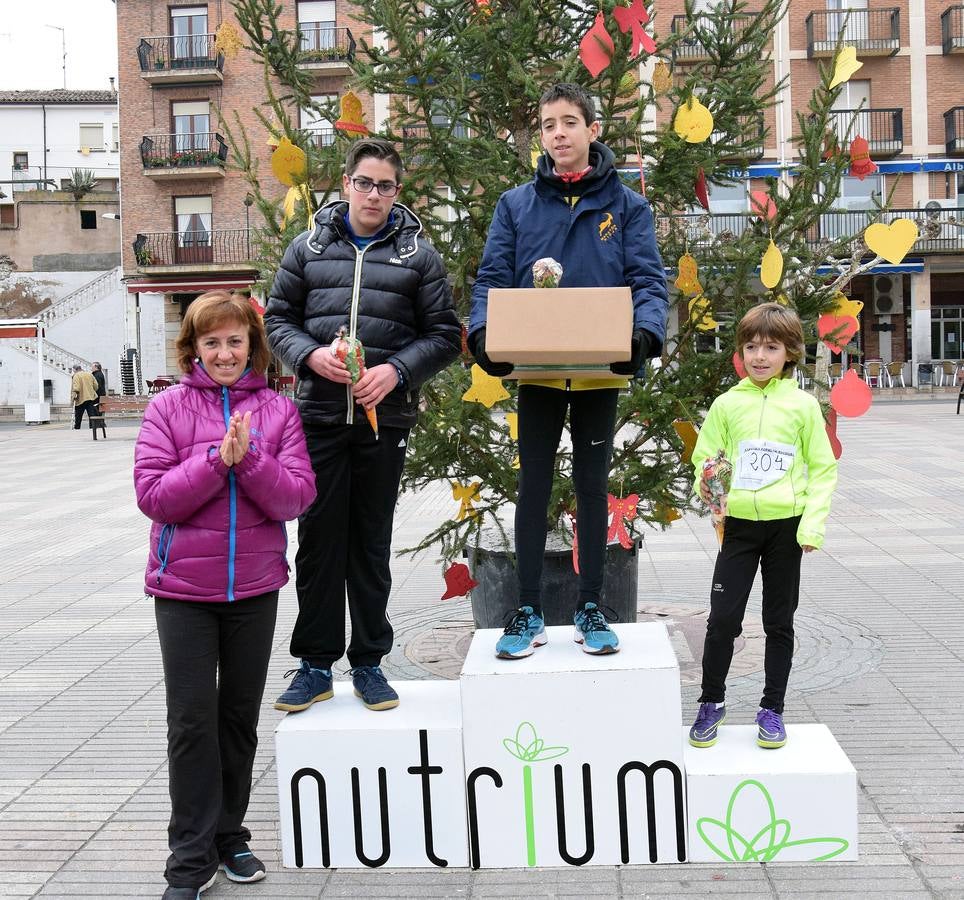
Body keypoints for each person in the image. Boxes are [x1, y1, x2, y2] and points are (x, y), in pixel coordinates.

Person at [468, 83, 668, 659]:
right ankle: (526, 608)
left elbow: (649, 281)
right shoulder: (516, 205)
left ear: (592, 130)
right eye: (549, 124)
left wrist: (644, 336)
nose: (558, 133)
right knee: (532, 486)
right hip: (536, 373)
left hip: (601, 374)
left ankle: (591, 605)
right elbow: (492, 278)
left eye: (570, 122)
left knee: (591, 487)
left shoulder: (628, 207)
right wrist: (485, 334)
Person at [265, 138, 461, 713]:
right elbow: (278, 319)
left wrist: (396, 372)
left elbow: (445, 336)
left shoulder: (417, 258)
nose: (374, 195)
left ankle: (370, 662)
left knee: (370, 546)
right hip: (319, 420)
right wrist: (307, 356)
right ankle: (314, 664)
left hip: (384, 423)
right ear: (346, 184)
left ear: (398, 192)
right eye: (365, 183)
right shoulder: (306, 249)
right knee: (319, 544)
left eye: (386, 186)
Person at [133, 291, 316, 899]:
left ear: (252, 346)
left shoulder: (279, 413)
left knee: (237, 721)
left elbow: (294, 499)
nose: (224, 352)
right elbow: (154, 498)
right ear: (194, 348)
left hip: (254, 590)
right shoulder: (166, 410)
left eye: (235, 340)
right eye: (211, 342)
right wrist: (216, 459)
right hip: (183, 592)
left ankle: (228, 837)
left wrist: (250, 457)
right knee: (191, 723)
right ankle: (188, 860)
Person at [688, 303, 838, 751]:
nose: (760, 356)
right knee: (722, 620)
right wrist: (710, 480)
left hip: (785, 531)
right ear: (740, 351)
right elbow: (705, 456)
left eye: (771, 347)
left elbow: (823, 468)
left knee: (778, 621)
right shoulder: (726, 404)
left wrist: (812, 526)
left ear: (789, 352)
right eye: (751, 346)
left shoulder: (803, 406)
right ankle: (711, 701)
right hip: (738, 529)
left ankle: (772, 708)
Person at [70, 364, 99, 429]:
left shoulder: (76, 376)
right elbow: (96, 386)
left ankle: (77, 429)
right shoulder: (89, 374)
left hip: (80, 399)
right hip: (90, 398)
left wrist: (73, 398)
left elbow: (76, 388)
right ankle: (93, 429)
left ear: (75, 370)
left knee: (78, 417)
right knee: (91, 415)